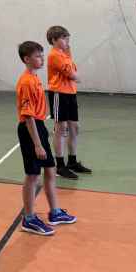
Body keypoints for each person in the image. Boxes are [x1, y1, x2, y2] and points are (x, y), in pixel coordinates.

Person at [16, 40, 77, 235]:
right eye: (37, 56)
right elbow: (28, 117)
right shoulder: (26, 82)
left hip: (39, 126)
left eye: (42, 55)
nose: (42, 59)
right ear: (27, 59)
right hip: (30, 130)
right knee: (32, 175)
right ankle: (29, 218)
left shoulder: (35, 78)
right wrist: (37, 144)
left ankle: (54, 212)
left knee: (50, 170)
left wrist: (43, 133)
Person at [47, 25, 92, 180]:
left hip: (70, 93)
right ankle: (60, 165)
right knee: (61, 128)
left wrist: (67, 49)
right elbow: (73, 75)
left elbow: (73, 69)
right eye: (63, 38)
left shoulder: (64, 54)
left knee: (74, 127)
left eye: (67, 38)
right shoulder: (55, 55)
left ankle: (72, 161)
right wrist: (77, 76)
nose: (67, 41)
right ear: (54, 40)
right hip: (59, 94)